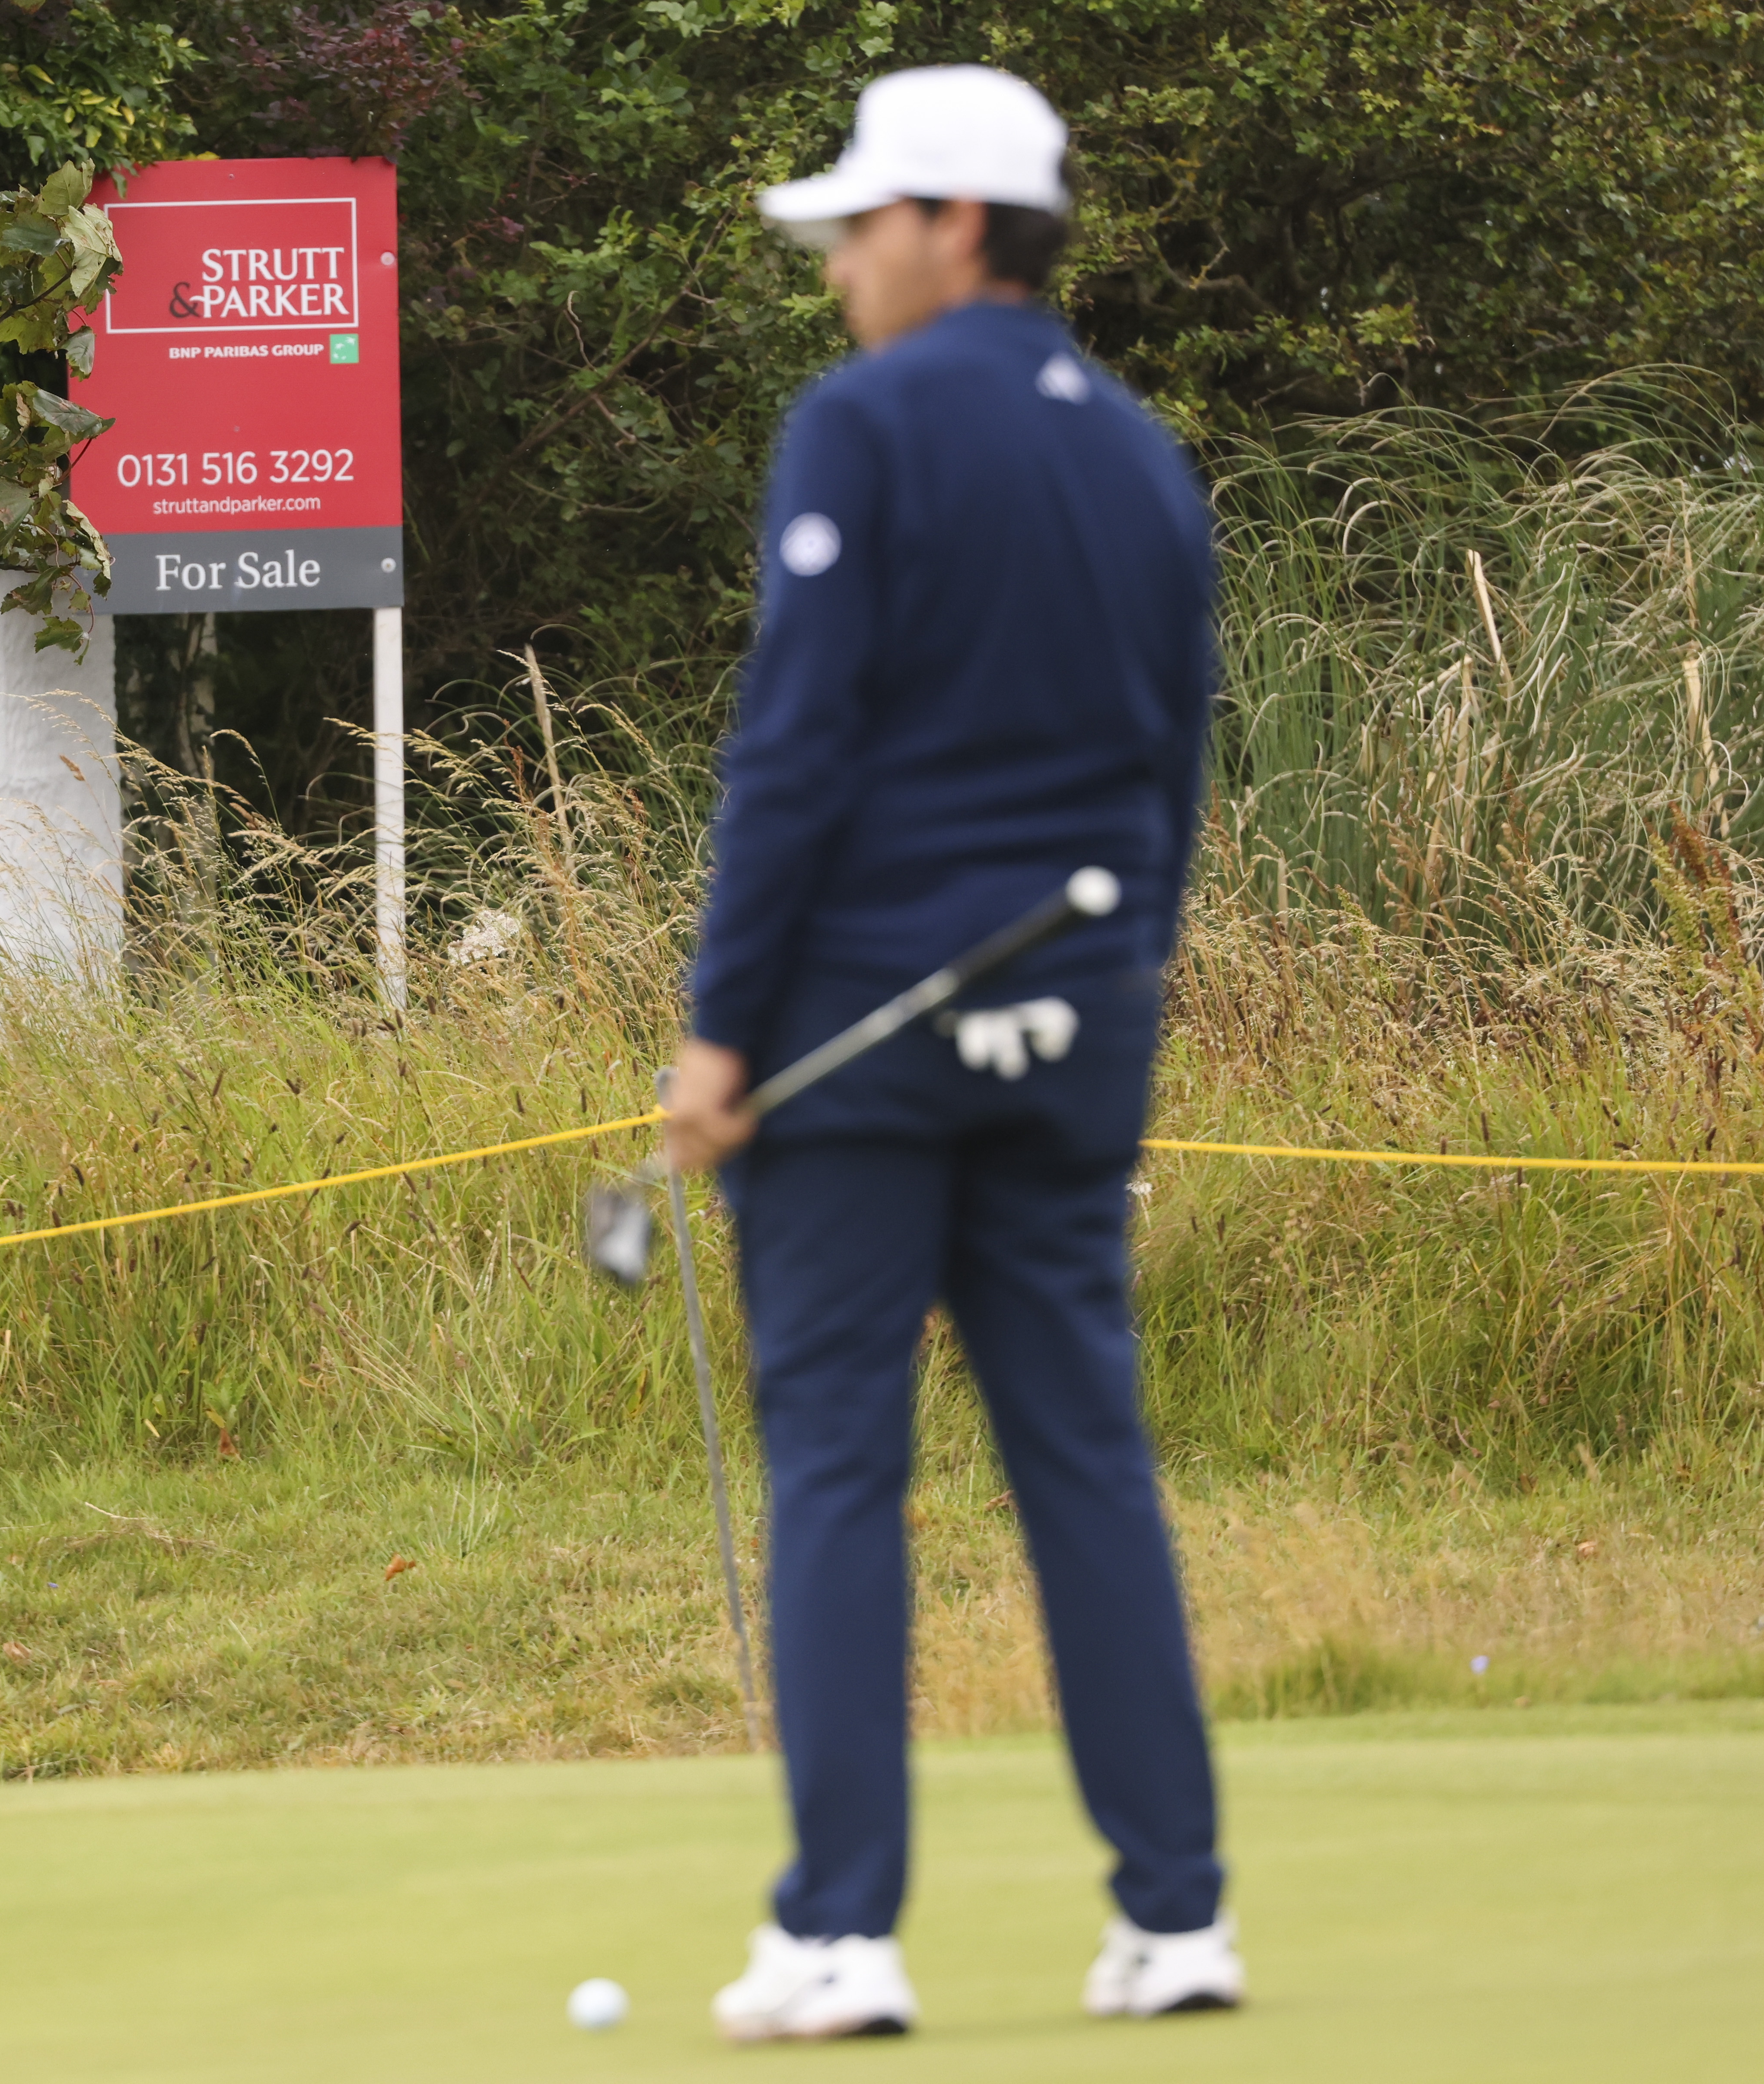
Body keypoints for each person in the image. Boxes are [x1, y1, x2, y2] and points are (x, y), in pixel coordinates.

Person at [665, 65, 1241, 2041]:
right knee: (1085, 1451)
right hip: (1080, 1027)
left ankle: (840, 1934)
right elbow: (1173, 774)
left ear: (958, 227)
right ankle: (1178, 1922)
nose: (837, 259)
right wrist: (1131, 998)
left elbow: (796, 748)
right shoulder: (1148, 455)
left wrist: (718, 1031)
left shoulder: (864, 427)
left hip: (861, 1037)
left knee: (837, 1459)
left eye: (863, 221)